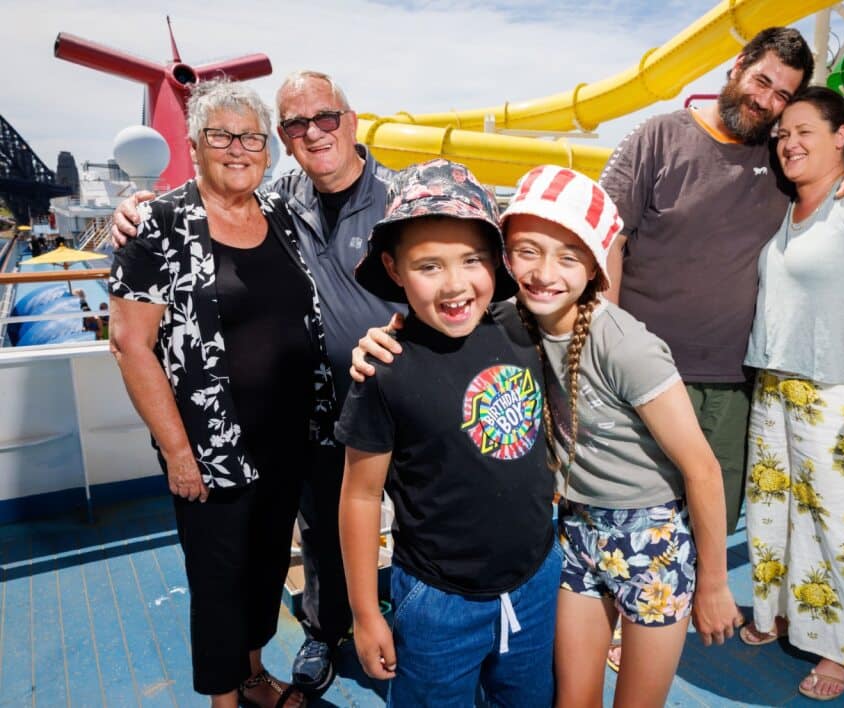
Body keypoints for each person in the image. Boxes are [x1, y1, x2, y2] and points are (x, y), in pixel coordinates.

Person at [352, 166, 745, 707]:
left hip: (649, 538)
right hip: (574, 535)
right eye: (527, 252)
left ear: (595, 265)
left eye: (568, 256)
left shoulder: (624, 345)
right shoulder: (509, 321)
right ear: (506, 257)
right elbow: (441, 327)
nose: (543, 273)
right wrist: (382, 339)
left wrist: (714, 583)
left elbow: (702, 468)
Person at [112, 70, 401, 696]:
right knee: (222, 580)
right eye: (221, 136)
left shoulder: (279, 209)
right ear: (194, 145)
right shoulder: (164, 222)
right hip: (213, 445)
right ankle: (236, 689)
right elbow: (130, 343)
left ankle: (254, 675)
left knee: (268, 566)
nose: (238, 149)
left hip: (300, 433)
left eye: (251, 137)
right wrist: (179, 452)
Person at [600, 27, 844, 541]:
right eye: (762, 81)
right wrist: (607, 349)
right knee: (633, 523)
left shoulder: (779, 156)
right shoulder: (659, 137)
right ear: (738, 65)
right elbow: (607, 241)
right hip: (645, 375)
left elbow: (832, 163)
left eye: (782, 95)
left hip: (735, 385)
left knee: (712, 527)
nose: (766, 101)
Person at [338, 159, 560, 706]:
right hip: (438, 602)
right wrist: (366, 614)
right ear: (393, 268)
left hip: (535, 581)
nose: (456, 284)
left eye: (472, 260)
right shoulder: (384, 368)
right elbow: (361, 496)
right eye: (429, 266)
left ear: (496, 262)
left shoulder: (523, 326)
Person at [738, 86, 844, 701]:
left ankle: (842, 647)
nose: (789, 143)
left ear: (841, 136)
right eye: (783, 134)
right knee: (774, 516)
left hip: (838, 392)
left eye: (805, 131)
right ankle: (781, 614)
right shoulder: (789, 208)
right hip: (774, 387)